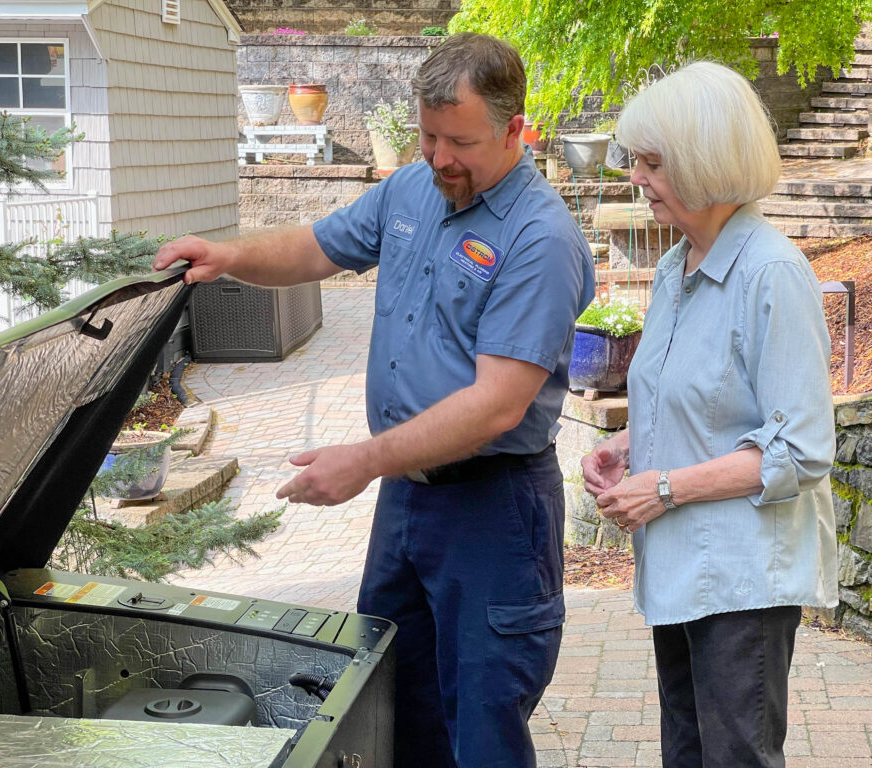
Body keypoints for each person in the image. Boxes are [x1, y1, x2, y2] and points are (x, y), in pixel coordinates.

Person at [153, 33, 594, 768]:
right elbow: (316, 247)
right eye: (427, 136)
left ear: (515, 129)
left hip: (495, 513)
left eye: (460, 141)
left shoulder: (539, 239)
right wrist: (228, 255)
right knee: (391, 712)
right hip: (407, 507)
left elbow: (495, 407)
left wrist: (362, 459)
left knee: (482, 730)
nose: (440, 157)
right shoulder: (411, 188)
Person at [580, 61, 838, 768]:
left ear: (705, 160)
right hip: (681, 571)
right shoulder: (676, 269)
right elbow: (698, 398)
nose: (636, 178)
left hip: (740, 579)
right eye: (636, 161)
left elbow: (802, 447)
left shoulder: (771, 273)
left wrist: (665, 488)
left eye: (652, 163)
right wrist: (630, 446)